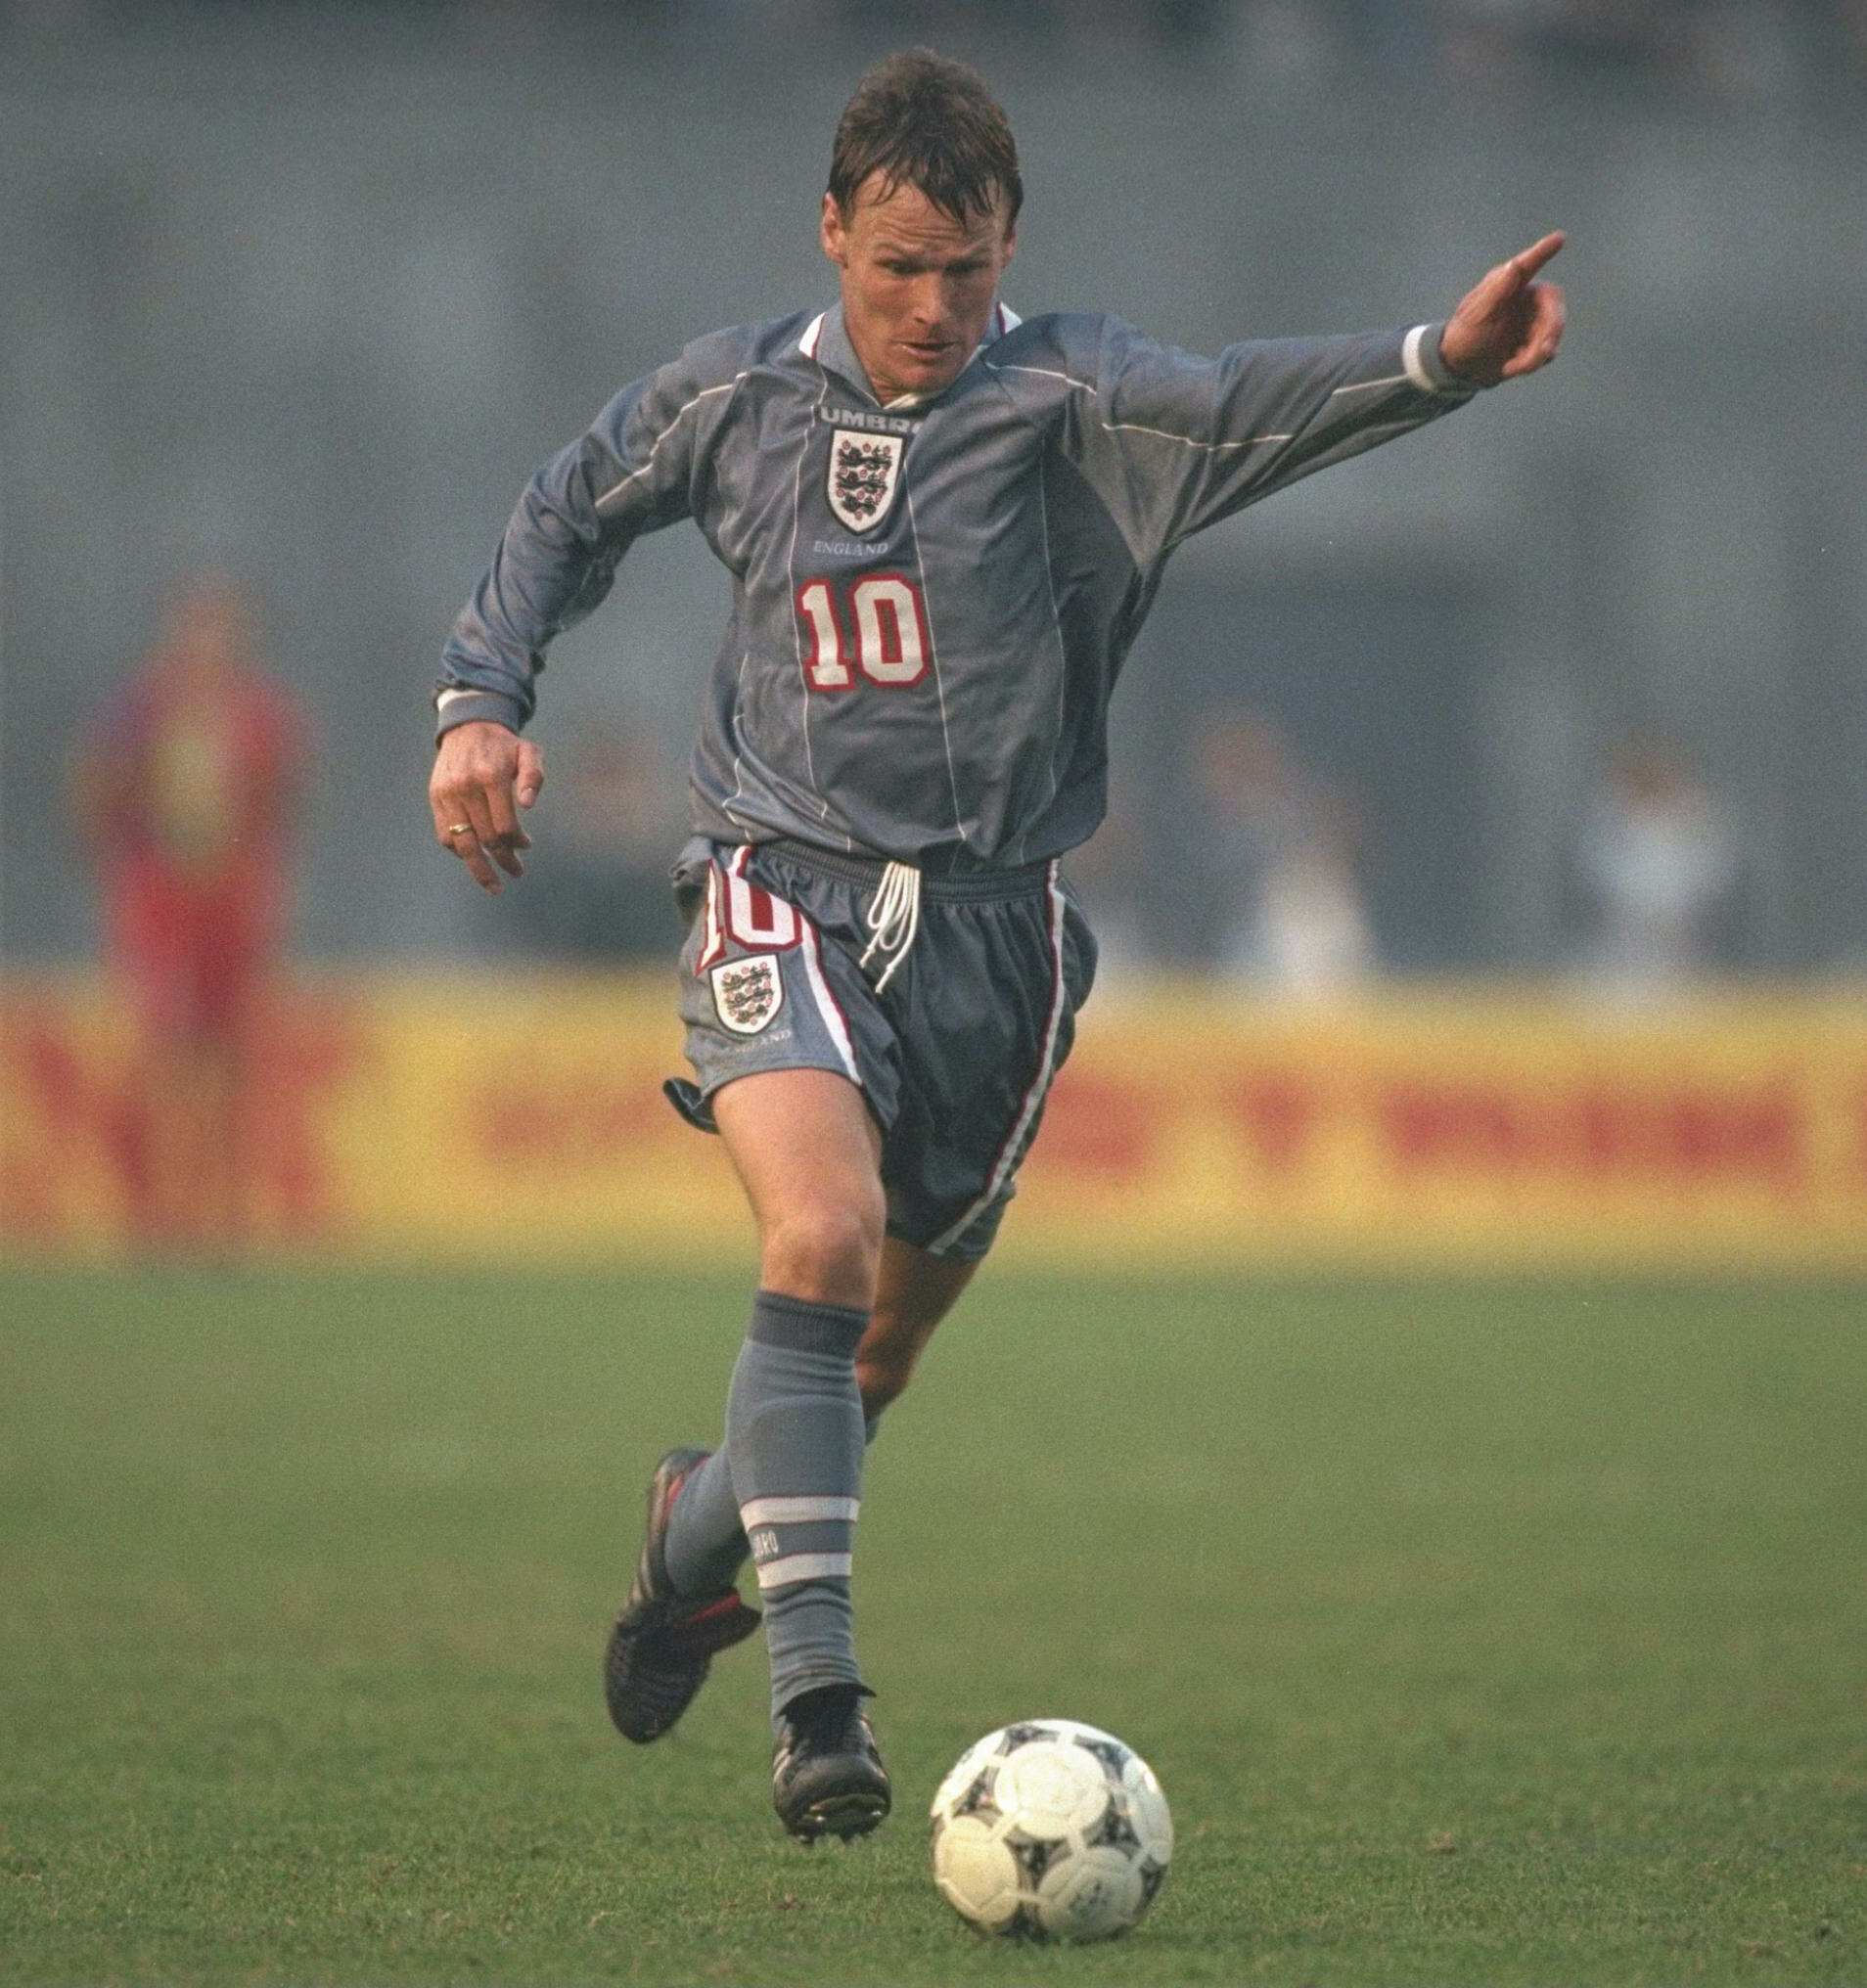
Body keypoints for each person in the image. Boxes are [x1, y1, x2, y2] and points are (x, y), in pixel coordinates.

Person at [429, 48, 1565, 1842]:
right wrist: (481, 702)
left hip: (996, 942)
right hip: (778, 881)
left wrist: (1443, 358)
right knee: (818, 1232)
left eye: (963, 269)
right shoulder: (735, 397)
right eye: (897, 265)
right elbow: (570, 502)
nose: (931, 306)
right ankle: (819, 1706)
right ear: (829, 231)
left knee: (868, 1360)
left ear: (1008, 247)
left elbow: (1256, 400)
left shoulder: (1076, 399)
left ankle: (692, 1534)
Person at [69, 575, 312, 1256]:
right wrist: (124, 864)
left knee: (231, 1056)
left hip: (232, 899)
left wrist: (267, 886)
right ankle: (152, 1215)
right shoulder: (140, 709)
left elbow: (284, 803)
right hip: (161, 897)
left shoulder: (260, 713)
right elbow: (94, 792)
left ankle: (224, 1215)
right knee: (160, 1053)